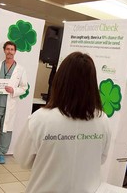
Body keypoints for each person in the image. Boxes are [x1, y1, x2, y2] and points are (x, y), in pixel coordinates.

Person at [14, 52, 111, 193]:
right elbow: (101, 159)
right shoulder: (103, 120)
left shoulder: (40, 119)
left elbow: (23, 160)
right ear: (92, 84)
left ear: (59, 80)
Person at [0, 41, 28, 164]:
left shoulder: (20, 69)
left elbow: (24, 87)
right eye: (7, 49)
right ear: (4, 50)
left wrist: (13, 89)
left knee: (6, 130)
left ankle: (1, 153)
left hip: (9, 104)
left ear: (15, 51)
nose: (9, 51)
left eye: (12, 49)